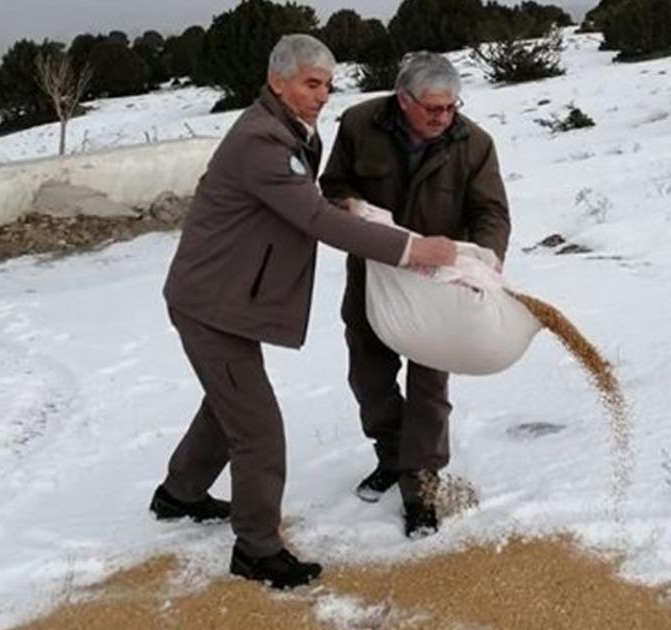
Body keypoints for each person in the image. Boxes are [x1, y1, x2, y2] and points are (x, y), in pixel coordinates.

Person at [152, 35, 458, 589]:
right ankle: (257, 548)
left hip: (227, 297)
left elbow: (309, 203)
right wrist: (413, 249)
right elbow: (314, 218)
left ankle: (179, 494)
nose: (323, 96)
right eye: (311, 84)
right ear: (277, 81)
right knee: (259, 429)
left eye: (327, 85)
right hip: (209, 304)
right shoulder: (261, 141)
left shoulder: (286, 130)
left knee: (229, 406)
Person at [320, 52, 512, 538]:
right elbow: (331, 185)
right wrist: (350, 205)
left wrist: (485, 259)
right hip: (375, 273)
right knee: (369, 375)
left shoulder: (474, 143)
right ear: (402, 99)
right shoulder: (361, 123)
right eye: (432, 109)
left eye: (451, 108)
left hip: (439, 284)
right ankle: (392, 455)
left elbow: (491, 212)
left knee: (429, 387)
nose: (443, 118)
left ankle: (421, 483)